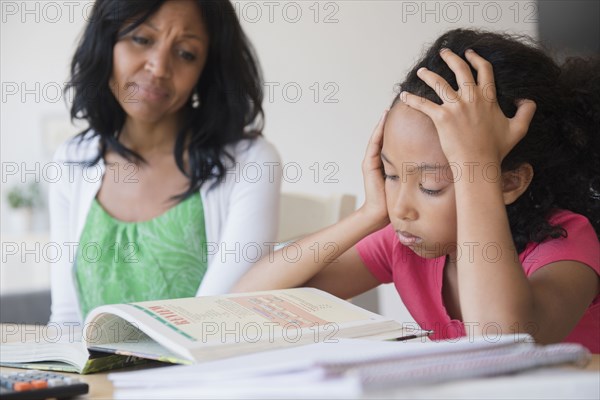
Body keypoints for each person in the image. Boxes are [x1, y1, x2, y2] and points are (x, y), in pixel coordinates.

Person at [233, 29, 600, 352]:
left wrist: (476, 165)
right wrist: (368, 215)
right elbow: (249, 299)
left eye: (430, 186)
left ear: (509, 182)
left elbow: (501, 339)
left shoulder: (567, 245)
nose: (401, 208)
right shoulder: (403, 242)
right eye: (392, 175)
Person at [49, 0, 282, 324]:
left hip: (201, 372)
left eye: (186, 53)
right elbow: (66, 320)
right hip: (92, 375)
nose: (159, 68)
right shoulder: (71, 160)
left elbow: (213, 320)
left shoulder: (251, 162)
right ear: (106, 42)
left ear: (207, 69)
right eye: (142, 39)